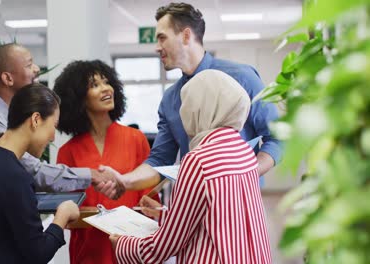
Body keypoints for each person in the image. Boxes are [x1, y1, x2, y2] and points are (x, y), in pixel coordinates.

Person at [102, 2, 281, 191]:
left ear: (186, 36)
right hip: (193, 205)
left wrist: (246, 173)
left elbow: (278, 137)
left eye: (162, 38)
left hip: (240, 200)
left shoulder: (242, 77)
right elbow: (160, 160)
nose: (157, 47)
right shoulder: (170, 99)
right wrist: (125, 181)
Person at [110, 70, 272, 264]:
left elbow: (164, 247)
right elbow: (222, 217)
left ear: (199, 108)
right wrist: (166, 214)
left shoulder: (199, 160)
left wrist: (123, 245)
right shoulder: (244, 151)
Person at [0, 43, 123, 198]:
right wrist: (91, 175)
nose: (37, 69)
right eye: (29, 64)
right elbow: (30, 170)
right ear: (8, 78)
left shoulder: (13, 115)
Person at [0, 83, 80, 264]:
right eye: (53, 126)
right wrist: (62, 216)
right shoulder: (14, 175)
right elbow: (38, 253)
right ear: (35, 119)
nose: (52, 137)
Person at [53, 60, 158, 264]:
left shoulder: (135, 138)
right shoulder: (68, 152)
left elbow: (150, 197)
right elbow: (66, 212)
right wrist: (98, 217)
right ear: (79, 98)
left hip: (132, 250)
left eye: (107, 82)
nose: (106, 88)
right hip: (89, 253)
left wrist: (151, 208)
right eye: (94, 85)